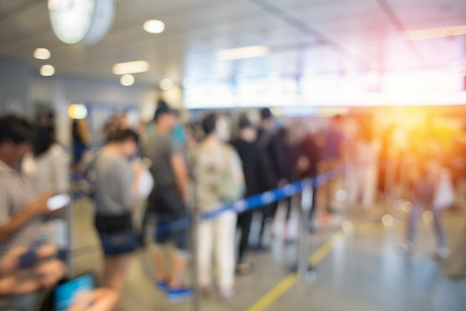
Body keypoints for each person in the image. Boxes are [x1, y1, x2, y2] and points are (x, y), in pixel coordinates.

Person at [0, 115, 63, 310]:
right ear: (7, 145)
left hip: (30, 263)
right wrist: (34, 208)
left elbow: (21, 211)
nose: (27, 152)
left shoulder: (15, 171)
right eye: (24, 146)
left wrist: (41, 206)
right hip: (13, 273)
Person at [190, 114, 245, 300]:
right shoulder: (228, 151)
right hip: (225, 205)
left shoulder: (195, 152)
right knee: (224, 245)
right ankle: (225, 286)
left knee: (202, 245)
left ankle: (203, 281)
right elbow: (239, 179)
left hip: (201, 206)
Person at [143, 106, 192, 302]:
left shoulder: (149, 140)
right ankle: (175, 284)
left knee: (159, 237)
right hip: (171, 195)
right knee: (182, 239)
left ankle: (161, 277)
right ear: (162, 118)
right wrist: (184, 193)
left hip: (154, 196)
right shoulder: (170, 141)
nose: (175, 122)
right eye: (172, 117)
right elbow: (180, 172)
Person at [93, 129, 140, 310]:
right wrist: (138, 179)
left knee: (107, 269)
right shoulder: (119, 163)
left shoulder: (98, 156)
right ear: (129, 141)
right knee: (118, 275)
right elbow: (129, 202)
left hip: (101, 217)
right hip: (118, 220)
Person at [231, 117, 271, 274]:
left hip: (230, 198)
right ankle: (240, 261)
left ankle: (227, 260)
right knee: (245, 230)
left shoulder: (229, 145)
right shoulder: (255, 148)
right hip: (250, 196)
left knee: (230, 230)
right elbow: (264, 173)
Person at [22, 126, 69, 195]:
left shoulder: (55, 152)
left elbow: (61, 185)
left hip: (49, 201)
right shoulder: (29, 155)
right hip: (31, 201)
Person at [319, 115, 346, 213]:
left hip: (325, 160)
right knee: (332, 185)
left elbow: (321, 145)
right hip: (334, 161)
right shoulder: (340, 132)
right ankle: (330, 205)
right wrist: (342, 160)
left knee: (324, 186)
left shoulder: (326, 131)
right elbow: (341, 146)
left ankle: (323, 206)